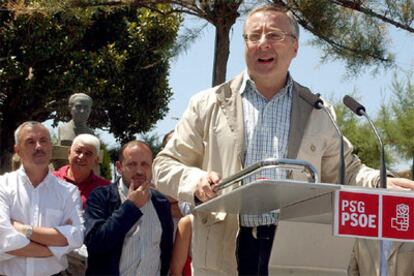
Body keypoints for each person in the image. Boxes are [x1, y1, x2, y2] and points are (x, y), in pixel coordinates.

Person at [153, 4, 414, 275]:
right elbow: (164, 165)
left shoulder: (318, 110)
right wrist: (195, 181)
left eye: (274, 35)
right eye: (254, 36)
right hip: (226, 248)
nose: (263, 44)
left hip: (295, 247)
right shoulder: (207, 104)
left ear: (295, 47)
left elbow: (347, 172)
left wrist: (379, 181)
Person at [0, 121, 84, 276]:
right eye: (30, 142)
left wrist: (23, 229)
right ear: (18, 150)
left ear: (50, 147)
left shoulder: (68, 192)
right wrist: (52, 248)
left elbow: (76, 237)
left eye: (44, 140)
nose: (39, 146)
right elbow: (2, 239)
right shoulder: (2, 186)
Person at [84, 140, 173, 275]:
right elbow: (96, 244)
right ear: (119, 167)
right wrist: (130, 207)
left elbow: (165, 252)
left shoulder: (161, 203)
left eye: (145, 164)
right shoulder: (101, 197)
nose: (139, 171)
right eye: (132, 164)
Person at [54, 133, 110, 208]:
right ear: (69, 153)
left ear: (96, 160)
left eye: (88, 154)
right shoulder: (50, 180)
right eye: (78, 151)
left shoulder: (105, 189)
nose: (81, 157)